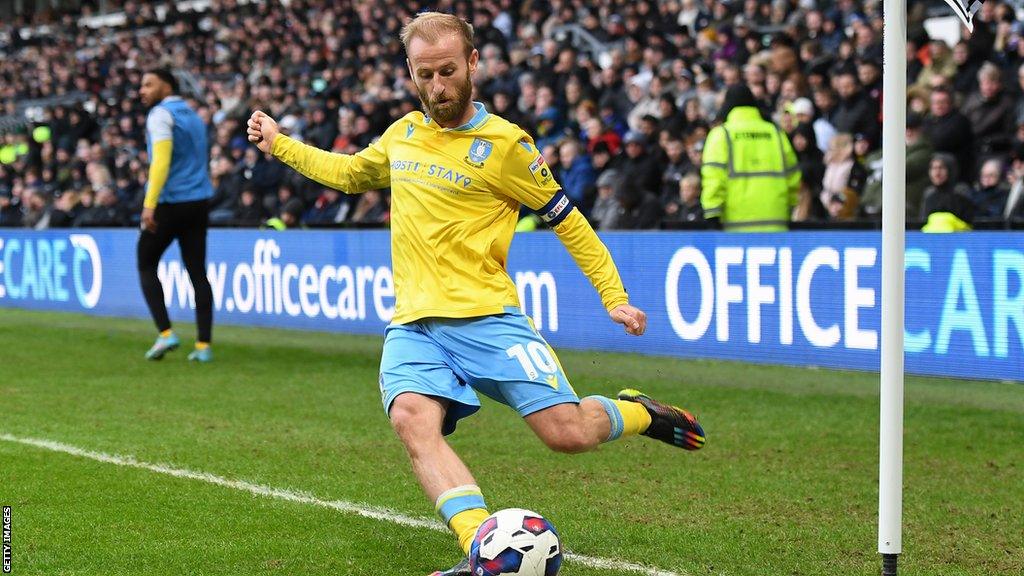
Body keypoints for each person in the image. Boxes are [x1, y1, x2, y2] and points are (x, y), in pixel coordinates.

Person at [245, 13, 705, 576]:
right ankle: (483, 549)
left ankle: (638, 412)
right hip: (414, 322)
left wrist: (613, 295)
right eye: (424, 75)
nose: (437, 87)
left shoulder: (508, 146)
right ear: (410, 72)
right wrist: (280, 145)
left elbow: (569, 221)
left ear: (473, 63)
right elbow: (347, 174)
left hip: (487, 316)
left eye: (447, 71)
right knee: (413, 418)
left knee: (567, 434)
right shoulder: (402, 135)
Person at [136, 68, 215, 362]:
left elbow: (161, 162)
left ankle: (166, 333)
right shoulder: (194, 116)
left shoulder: (160, 115)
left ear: (166, 86)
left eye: (148, 84)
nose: (141, 90)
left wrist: (149, 203)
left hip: (171, 202)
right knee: (197, 272)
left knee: (145, 261)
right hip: (199, 201)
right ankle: (203, 346)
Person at [701, 85, 801, 231]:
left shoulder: (721, 134)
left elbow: (714, 177)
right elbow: (793, 176)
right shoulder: (775, 133)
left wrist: (712, 214)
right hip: (775, 221)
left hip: (735, 225)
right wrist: (790, 205)